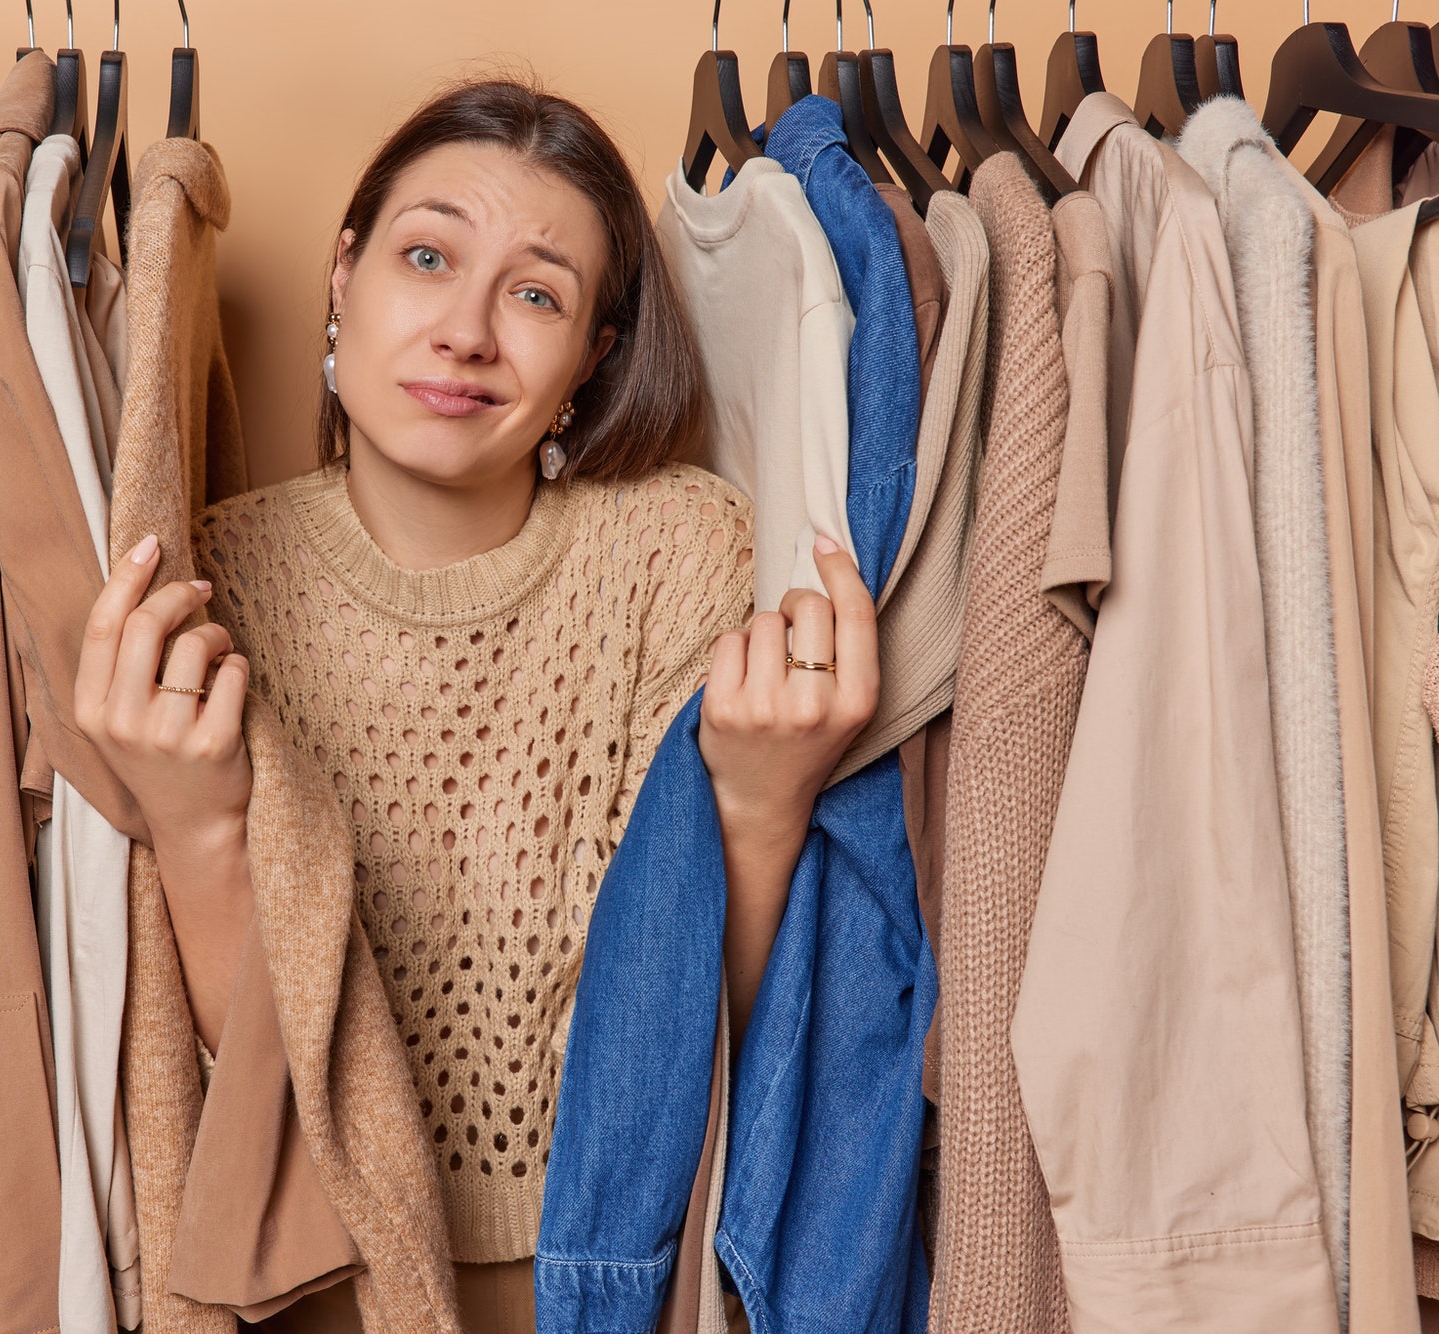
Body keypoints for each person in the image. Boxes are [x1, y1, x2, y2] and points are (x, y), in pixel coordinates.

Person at [72, 77, 880, 1329]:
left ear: (590, 359)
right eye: (428, 255)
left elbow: (692, 1013)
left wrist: (762, 804)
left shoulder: (677, 552)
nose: (465, 330)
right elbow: (227, 1071)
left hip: (624, 1273)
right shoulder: (207, 577)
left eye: (536, 293)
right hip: (321, 1271)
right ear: (342, 276)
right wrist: (195, 826)